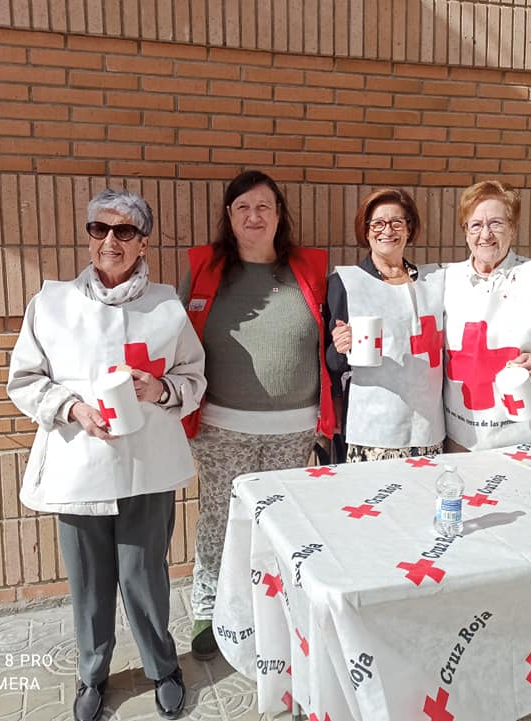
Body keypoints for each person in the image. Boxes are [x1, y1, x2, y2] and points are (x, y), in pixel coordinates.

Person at [7, 189, 205, 721]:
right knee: (90, 582)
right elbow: (24, 379)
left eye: (124, 231)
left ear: (144, 241)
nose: (110, 241)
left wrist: (159, 389)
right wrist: (71, 408)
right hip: (80, 465)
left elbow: (193, 376)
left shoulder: (166, 305)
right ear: (89, 235)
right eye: (100, 229)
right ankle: (92, 673)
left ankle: (162, 666)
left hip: (148, 465)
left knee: (146, 576)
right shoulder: (51, 302)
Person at [179, 170, 336, 661]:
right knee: (219, 519)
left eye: (264, 206)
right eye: (243, 207)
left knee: (285, 522)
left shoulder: (308, 269)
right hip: (222, 426)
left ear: (279, 215)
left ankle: (281, 606)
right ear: (229, 216)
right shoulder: (205, 268)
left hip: (294, 427)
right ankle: (209, 607)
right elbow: (178, 338)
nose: (254, 216)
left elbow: (332, 334)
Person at [443, 179, 531, 450]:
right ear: (465, 231)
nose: (485, 234)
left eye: (496, 223)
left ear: (513, 229)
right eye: (476, 225)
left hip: (523, 430)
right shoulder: (446, 280)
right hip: (462, 432)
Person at [326, 188, 446, 462]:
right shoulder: (345, 283)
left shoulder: (435, 281)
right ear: (366, 231)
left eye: (396, 222)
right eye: (377, 223)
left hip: (429, 428)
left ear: (409, 229)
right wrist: (340, 347)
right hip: (372, 429)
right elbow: (332, 363)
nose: (387, 231)